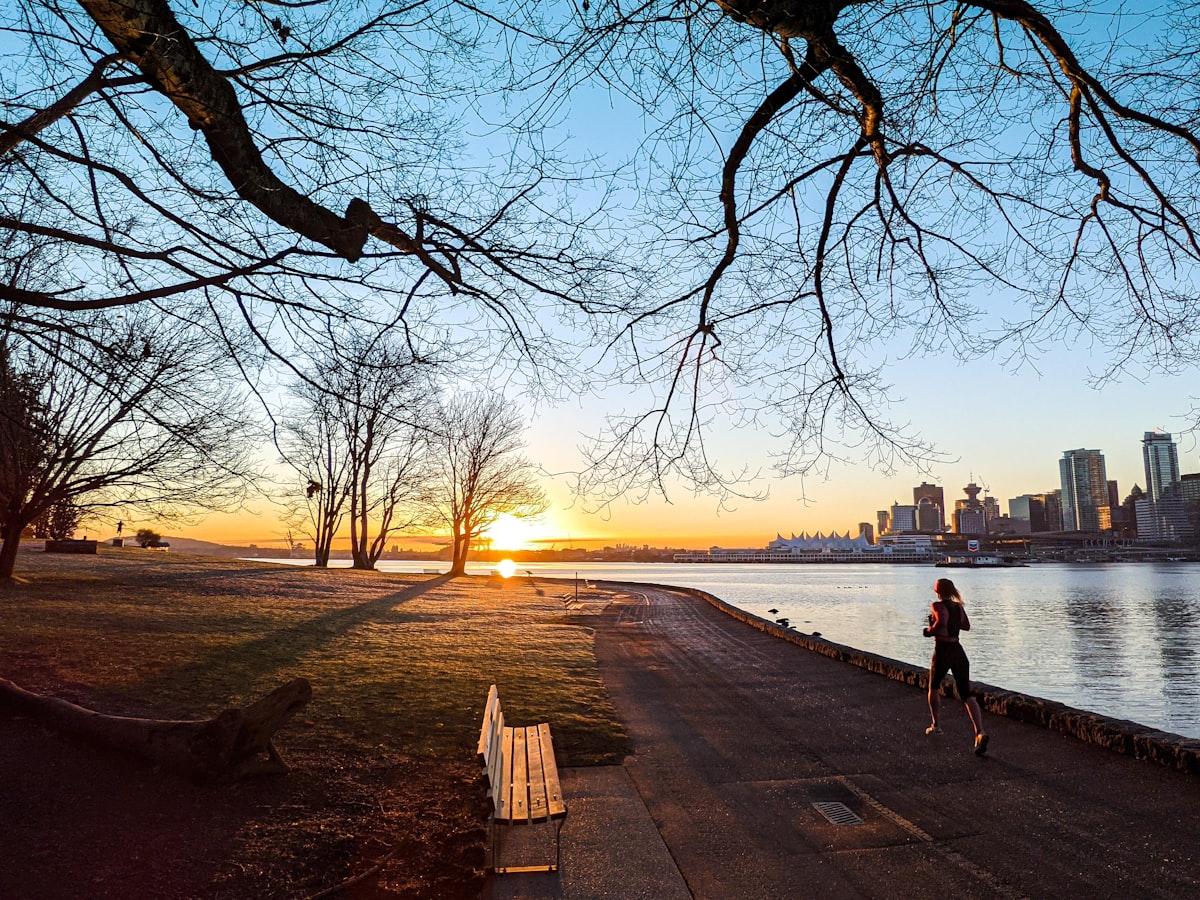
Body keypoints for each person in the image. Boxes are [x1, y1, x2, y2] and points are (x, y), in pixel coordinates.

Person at [923, 577, 989, 755]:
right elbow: (966, 626)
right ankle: (979, 732)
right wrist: (949, 623)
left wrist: (929, 630)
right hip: (958, 651)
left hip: (943, 650)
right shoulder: (958, 607)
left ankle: (936, 725)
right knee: (966, 693)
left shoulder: (937, 606)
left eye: (935, 589)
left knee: (934, 686)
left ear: (939, 591)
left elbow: (941, 622)